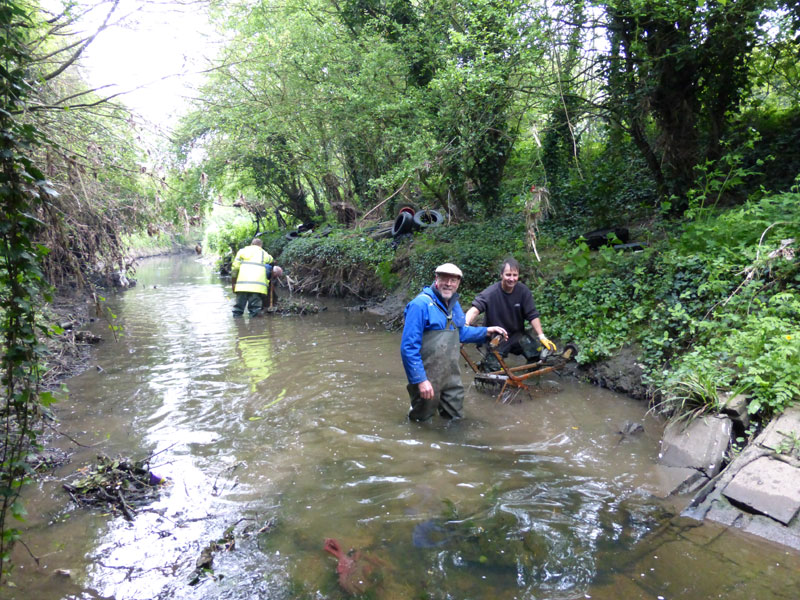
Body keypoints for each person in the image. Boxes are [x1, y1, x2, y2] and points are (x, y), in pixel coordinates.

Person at [401, 263, 508, 422]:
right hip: (427, 377)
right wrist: (420, 380)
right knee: (420, 422)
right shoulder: (420, 305)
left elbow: (461, 333)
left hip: (451, 376)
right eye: (445, 279)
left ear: (458, 283)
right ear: (436, 279)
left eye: (453, 280)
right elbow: (408, 348)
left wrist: (486, 332)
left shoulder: (454, 305)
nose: (449, 284)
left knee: (455, 420)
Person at [464, 257, 556, 372]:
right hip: (497, 337)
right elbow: (475, 309)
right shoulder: (491, 293)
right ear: (501, 275)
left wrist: (542, 336)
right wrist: (465, 325)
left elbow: (532, 315)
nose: (512, 279)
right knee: (492, 371)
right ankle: (488, 366)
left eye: (515, 275)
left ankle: (529, 383)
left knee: (536, 357)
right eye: (508, 275)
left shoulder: (523, 292)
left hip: (517, 335)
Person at [231, 238, 283, 317]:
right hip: (257, 287)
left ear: (251, 244)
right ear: (260, 245)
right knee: (255, 311)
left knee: (238, 310)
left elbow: (234, 268)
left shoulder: (242, 251)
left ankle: (239, 327)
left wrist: (233, 283)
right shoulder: (263, 253)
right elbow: (271, 260)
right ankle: (255, 328)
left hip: (242, 286)